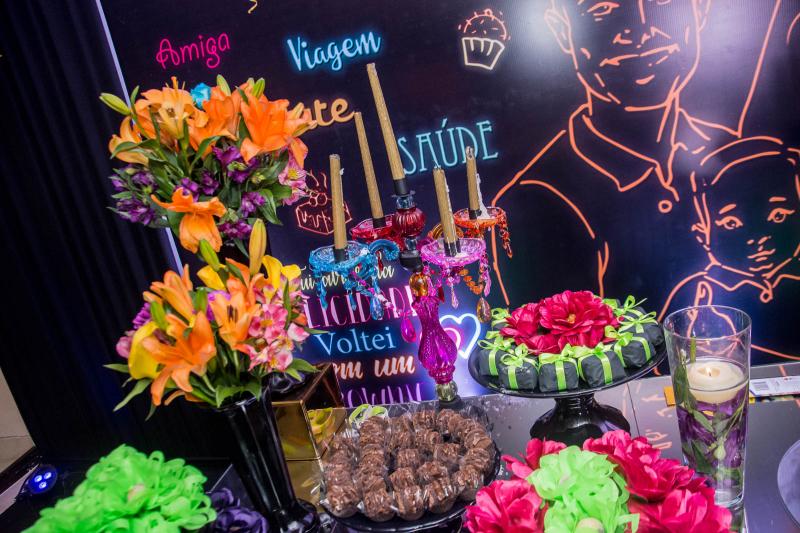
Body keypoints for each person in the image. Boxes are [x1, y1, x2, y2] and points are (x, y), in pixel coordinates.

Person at [490, 0, 734, 310]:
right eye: (604, 9)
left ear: (700, 9)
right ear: (561, 30)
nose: (642, 30)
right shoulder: (538, 199)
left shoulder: (734, 155)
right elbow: (559, 339)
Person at [661, 137, 800, 361]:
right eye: (732, 223)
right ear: (702, 234)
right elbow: (670, 359)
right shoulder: (698, 295)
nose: (758, 237)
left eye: (778, 215)